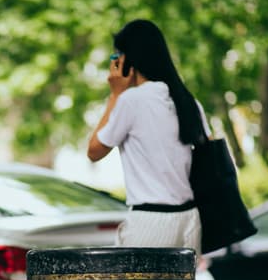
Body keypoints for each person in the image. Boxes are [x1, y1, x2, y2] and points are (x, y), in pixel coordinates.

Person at [87, 19, 211, 255]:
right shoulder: (188, 101)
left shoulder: (131, 101)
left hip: (150, 223)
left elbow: (94, 151)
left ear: (127, 60)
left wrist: (115, 95)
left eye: (117, 57)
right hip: (190, 221)